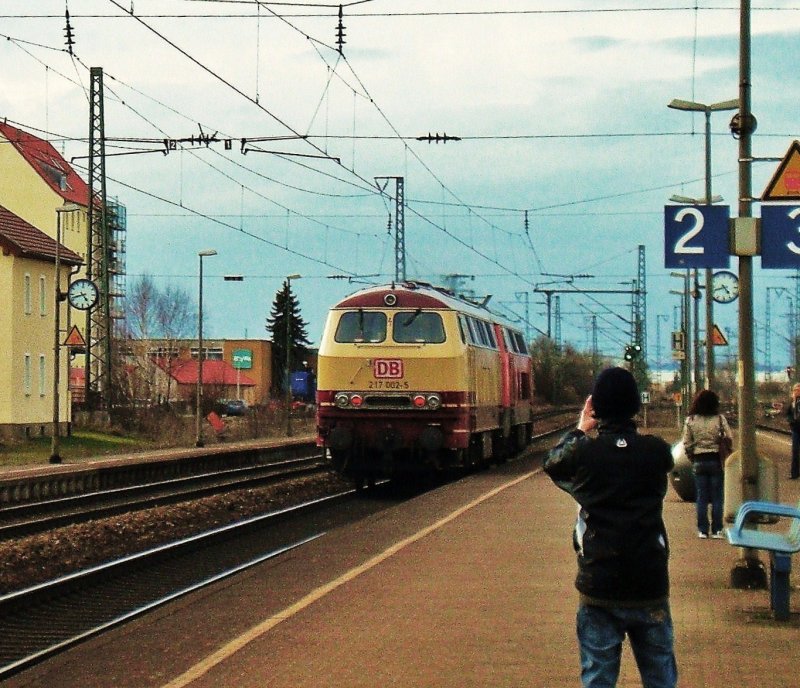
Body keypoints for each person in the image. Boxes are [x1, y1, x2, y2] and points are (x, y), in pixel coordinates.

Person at [544, 367, 677, 688]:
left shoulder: (585, 455)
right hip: (649, 581)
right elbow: (666, 466)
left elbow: (553, 464)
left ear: (596, 406)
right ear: (635, 405)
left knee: (598, 678)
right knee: (660, 677)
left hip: (599, 582)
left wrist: (580, 428)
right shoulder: (656, 451)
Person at [681, 390, 733, 539]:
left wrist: (692, 455)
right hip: (716, 459)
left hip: (699, 460)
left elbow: (686, 442)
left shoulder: (690, 420)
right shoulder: (719, 419)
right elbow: (729, 437)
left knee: (701, 497)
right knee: (717, 497)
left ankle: (702, 530)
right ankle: (717, 530)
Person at [786, 383, 800, 480]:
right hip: (795, 429)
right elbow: (788, 413)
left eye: (798, 390)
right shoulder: (792, 402)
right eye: (795, 390)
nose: (796, 392)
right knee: (795, 451)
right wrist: (791, 421)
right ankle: (794, 473)